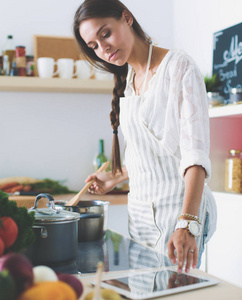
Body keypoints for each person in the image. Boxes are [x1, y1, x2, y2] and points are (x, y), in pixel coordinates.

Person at [73, 0, 217, 274]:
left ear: (126, 17)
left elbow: (194, 157)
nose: (103, 49)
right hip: (139, 215)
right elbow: (156, 153)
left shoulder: (179, 67)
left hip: (179, 211)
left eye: (105, 34)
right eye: (93, 46)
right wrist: (116, 176)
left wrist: (186, 224)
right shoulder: (129, 79)